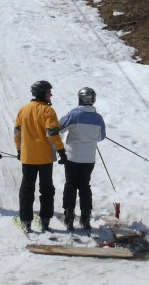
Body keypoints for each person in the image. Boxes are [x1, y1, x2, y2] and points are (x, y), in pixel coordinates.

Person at [14, 80, 67, 233]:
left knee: (26, 189)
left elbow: (17, 133)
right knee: (47, 189)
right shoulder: (48, 111)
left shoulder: (23, 110)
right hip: (44, 158)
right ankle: (45, 220)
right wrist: (61, 151)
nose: (51, 95)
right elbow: (52, 134)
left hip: (28, 157)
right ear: (42, 93)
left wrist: (19, 150)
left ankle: (26, 221)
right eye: (49, 92)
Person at [58, 87, 106, 230]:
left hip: (72, 157)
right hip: (89, 158)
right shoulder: (98, 118)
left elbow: (59, 128)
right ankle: (85, 218)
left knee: (70, 185)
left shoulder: (73, 115)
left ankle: (69, 216)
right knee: (85, 185)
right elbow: (101, 137)